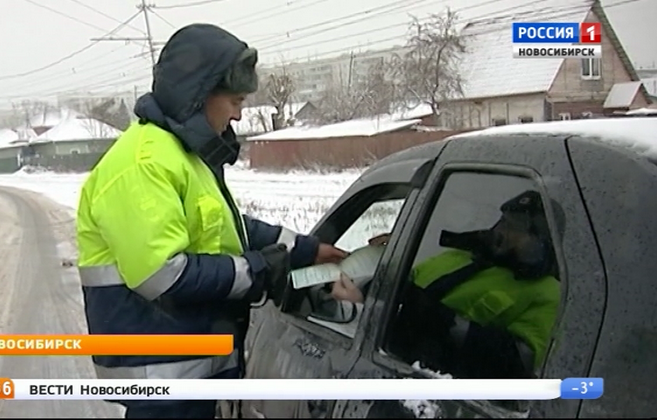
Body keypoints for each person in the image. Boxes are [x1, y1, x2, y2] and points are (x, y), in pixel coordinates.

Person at [75, 23, 347, 419]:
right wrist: (259, 270)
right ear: (198, 97)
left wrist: (308, 249)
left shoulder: (182, 155)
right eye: (235, 100)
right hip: (163, 381)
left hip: (190, 372)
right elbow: (163, 275)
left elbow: (230, 227)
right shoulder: (144, 164)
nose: (238, 113)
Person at [331, 191, 564, 379]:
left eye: (517, 227)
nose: (503, 231)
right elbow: (401, 285)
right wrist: (368, 279)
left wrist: (431, 315)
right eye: (504, 221)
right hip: (388, 360)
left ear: (540, 241)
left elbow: (514, 364)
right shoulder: (459, 257)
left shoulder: (547, 292)